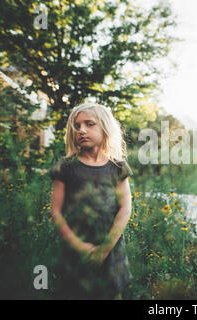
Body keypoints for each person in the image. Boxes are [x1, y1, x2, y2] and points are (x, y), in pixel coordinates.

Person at [49, 102, 134, 300]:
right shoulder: (65, 167)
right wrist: (79, 246)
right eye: (77, 126)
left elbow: (125, 209)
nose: (82, 130)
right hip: (74, 249)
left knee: (111, 294)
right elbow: (56, 212)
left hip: (110, 250)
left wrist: (105, 247)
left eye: (89, 124)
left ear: (105, 128)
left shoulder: (117, 167)